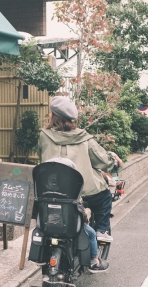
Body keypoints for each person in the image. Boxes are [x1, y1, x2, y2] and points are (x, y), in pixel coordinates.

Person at [38, 96, 123, 244]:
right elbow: (102, 160)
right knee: (104, 197)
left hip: (50, 191)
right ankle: (101, 230)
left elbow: (41, 156)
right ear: (72, 119)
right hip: (82, 193)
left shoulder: (43, 136)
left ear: (53, 116)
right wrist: (113, 160)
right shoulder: (84, 138)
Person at [44, 157, 109, 273]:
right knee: (91, 233)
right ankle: (94, 261)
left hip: (47, 224)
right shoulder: (71, 188)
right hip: (69, 225)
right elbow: (78, 209)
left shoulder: (44, 187)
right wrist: (86, 213)